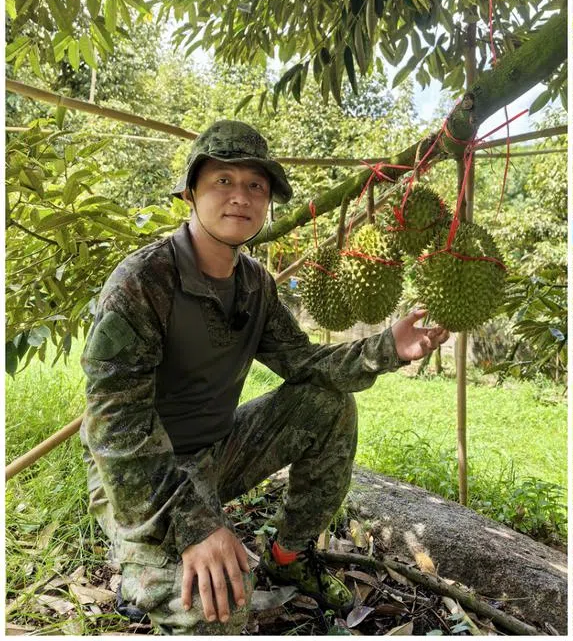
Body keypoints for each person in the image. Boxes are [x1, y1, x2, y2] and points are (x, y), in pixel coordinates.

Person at [80, 120, 449, 634]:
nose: (241, 196)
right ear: (190, 193)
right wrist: (196, 526)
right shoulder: (142, 283)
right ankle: (138, 568)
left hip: (216, 451)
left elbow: (304, 364)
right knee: (219, 602)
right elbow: (115, 431)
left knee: (327, 403)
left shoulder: (255, 283)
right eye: (223, 181)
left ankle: (288, 555)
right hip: (141, 477)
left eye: (256, 184)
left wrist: (388, 347)